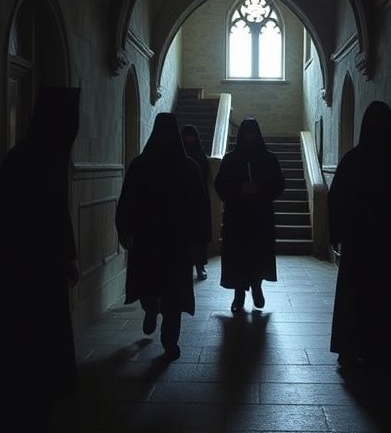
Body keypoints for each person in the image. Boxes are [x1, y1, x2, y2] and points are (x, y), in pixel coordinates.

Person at [0, 87, 81, 433]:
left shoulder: (34, 158)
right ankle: (20, 427)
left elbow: (57, 214)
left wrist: (67, 257)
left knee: (34, 350)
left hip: (39, 271)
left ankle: (32, 424)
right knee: (30, 349)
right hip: (28, 275)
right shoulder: (31, 161)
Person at [328, 100, 391, 368]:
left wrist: (339, 232)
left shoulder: (353, 160)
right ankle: (386, 350)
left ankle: (351, 346)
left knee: (356, 297)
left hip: (361, 243)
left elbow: (336, 199)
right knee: (388, 298)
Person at [115, 112, 209, 360]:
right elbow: (200, 206)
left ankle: (152, 308)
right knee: (173, 293)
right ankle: (170, 341)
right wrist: (199, 239)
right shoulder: (189, 167)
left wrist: (125, 229)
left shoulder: (140, 165)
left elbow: (127, 201)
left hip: (147, 239)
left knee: (149, 283)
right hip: (176, 242)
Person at [214, 117, 285, 313]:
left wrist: (260, 189)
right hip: (237, 218)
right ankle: (239, 294)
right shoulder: (230, 159)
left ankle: (256, 286)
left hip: (260, 217)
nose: (249, 137)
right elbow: (220, 185)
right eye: (246, 134)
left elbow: (279, 184)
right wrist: (239, 190)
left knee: (258, 255)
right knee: (238, 257)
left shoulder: (269, 159)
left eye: (252, 133)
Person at [181, 124, 212, 280]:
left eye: (190, 136)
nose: (188, 139)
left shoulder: (200, 157)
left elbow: (204, 177)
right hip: (183, 200)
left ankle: (200, 266)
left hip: (199, 199)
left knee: (199, 236)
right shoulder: (178, 156)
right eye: (186, 136)